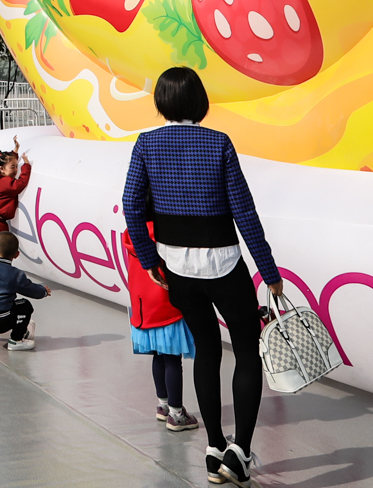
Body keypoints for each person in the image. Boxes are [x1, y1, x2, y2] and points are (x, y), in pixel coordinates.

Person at [122, 66, 284, 487]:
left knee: (206, 351)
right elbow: (244, 212)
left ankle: (214, 448)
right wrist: (269, 271)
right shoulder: (218, 143)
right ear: (199, 101)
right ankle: (240, 453)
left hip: (176, 268)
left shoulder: (146, 144)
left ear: (161, 102)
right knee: (246, 352)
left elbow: (131, 206)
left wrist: (150, 261)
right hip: (225, 263)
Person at [122, 224, 197, 432]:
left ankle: (163, 405)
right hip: (167, 306)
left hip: (143, 307)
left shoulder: (132, 231)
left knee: (158, 357)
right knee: (173, 360)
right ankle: (177, 414)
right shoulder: (165, 230)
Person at [0, 138, 31, 253]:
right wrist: (26, 166)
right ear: (2, 169)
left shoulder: (1, 177)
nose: (15, 170)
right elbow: (20, 184)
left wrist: (15, 150)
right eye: (13, 167)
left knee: (0, 253)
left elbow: (8, 161)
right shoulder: (4, 182)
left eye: (16, 166)